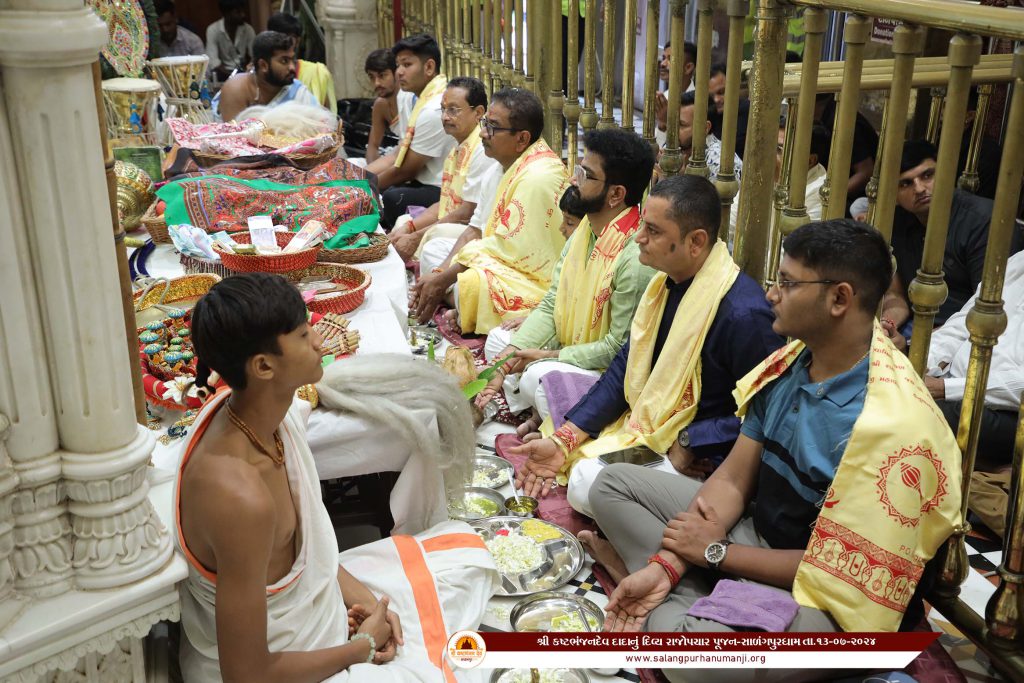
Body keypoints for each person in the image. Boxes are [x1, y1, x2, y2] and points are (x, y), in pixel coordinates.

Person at [587, 221, 961, 683]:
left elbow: (838, 573)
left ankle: (696, 602)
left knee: (699, 667)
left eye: (786, 282)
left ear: (839, 299)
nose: (770, 294)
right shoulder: (792, 362)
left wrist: (713, 554)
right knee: (611, 485)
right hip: (756, 539)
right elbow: (733, 479)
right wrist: (673, 561)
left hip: (837, 601)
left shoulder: (896, 426)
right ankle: (692, 594)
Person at [177, 273, 497, 682]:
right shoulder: (240, 498)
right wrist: (360, 647)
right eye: (303, 334)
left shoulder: (262, 414)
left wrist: (368, 602)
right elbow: (247, 674)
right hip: (275, 664)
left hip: (314, 619)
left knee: (468, 554)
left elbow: (309, 553)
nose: (318, 342)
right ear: (262, 366)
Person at [510, 175, 783, 517]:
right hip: (646, 420)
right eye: (642, 226)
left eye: (653, 231)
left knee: (585, 482)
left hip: (696, 457)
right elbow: (624, 369)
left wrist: (692, 441)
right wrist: (564, 439)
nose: (638, 238)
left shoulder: (744, 315)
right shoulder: (663, 285)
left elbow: (769, 415)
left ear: (695, 242)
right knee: (541, 380)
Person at [475, 129, 658, 429]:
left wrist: (548, 355)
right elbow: (550, 306)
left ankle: (546, 413)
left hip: (610, 378)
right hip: (569, 348)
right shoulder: (585, 231)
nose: (574, 181)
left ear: (616, 194)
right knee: (500, 344)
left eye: (586, 175)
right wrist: (507, 360)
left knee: (539, 375)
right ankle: (539, 409)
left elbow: (617, 349)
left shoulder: (634, 258)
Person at [411, 87, 569, 334]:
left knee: (472, 284)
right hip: (498, 260)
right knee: (435, 250)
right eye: (485, 123)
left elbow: (508, 250)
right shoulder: (497, 167)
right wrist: (441, 273)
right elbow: (475, 229)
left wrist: (444, 279)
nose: (483, 133)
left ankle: (466, 307)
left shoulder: (537, 178)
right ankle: (461, 305)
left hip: (536, 280)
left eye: (493, 127)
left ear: (522, 139)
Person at [880, 139, 1022, 331]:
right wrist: (887, 327)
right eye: (905, 183)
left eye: (927, 175)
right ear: (893, 193)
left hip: (972, 333)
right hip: (915, 324)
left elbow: (989, 309)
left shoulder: (984, 221)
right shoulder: (896, 220)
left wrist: (917, 344)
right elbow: (896, 295)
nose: (920, 189)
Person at [923, 249, 1024, 469]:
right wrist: (925, 365)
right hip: (951, 384)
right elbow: (962, 324)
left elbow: (1020, 386)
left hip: (1010, 413)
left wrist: (943, 388)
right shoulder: (1018, 261)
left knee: (928, 414)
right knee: (881, 376)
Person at [388, 77, 500, 262]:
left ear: (478, 112)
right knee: (403, 222)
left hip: (479, 230)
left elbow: (467, 212)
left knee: (435, 235)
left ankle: (428, 284)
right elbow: (445, 203)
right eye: (443, 109)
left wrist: (417, 236)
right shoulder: (457, 147)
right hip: (456, 221)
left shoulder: (481, 150)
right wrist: (410, 228)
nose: (445, 117)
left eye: (453, 110)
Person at [367, 34, 456, 229]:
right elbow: (398, 152)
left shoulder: (435, 109)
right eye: (398, 65)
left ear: (429, 67)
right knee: (372, 187)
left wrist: (363, 188)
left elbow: (406, 169)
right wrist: (358, 177)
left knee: (391, 197)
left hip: (441, 187)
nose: (399, 72)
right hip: (417, 179)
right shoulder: (407, 97)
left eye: (406, 65)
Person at [214, 31, 322, 122]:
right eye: (284, 61)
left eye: (292, 60)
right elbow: (232, 140)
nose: (292, 67)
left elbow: (320, 125)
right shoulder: (236, 89)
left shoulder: (297, 91)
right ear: (263, 65)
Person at [658, 92, 742, 181]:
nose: (673, 131)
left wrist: (678, 178)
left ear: (705, 128)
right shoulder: (674, 147)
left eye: (681, 125)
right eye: (671, 123)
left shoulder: (721, 164)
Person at [266, 12, 337, 114]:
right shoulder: (260, 75)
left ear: (298, 41)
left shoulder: (317, 73)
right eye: (279, 37)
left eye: (289, 37)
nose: (283, 42)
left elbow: (327, 115)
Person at [813, 92, 878, 201]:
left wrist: (825, 199)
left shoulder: (843, 119)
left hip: (858, 201)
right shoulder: (824, 116)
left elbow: (866, 172)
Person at [364, 49, 405, 164]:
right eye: (372, 77)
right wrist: (371, 173)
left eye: (382, 75)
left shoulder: (411, 99)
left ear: (396, 73)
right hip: (395, 158)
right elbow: (372, 147)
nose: (376, 83)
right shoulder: (380, 105)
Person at [206, 0, 255, 83]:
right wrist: (233, 76)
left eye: (242, 11)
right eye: (237, 12)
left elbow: (255, 55)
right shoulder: (213, 30)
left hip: (244, 73)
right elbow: (213, 62)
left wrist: (247, 72)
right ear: (225, 13)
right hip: (223, 75)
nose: (243, 15)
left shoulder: (248, 29)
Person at [707, 62, 749, 158]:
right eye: (710, 96)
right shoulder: (708, 114)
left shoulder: (749, 112)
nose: (716, 99)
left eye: (721, 92)